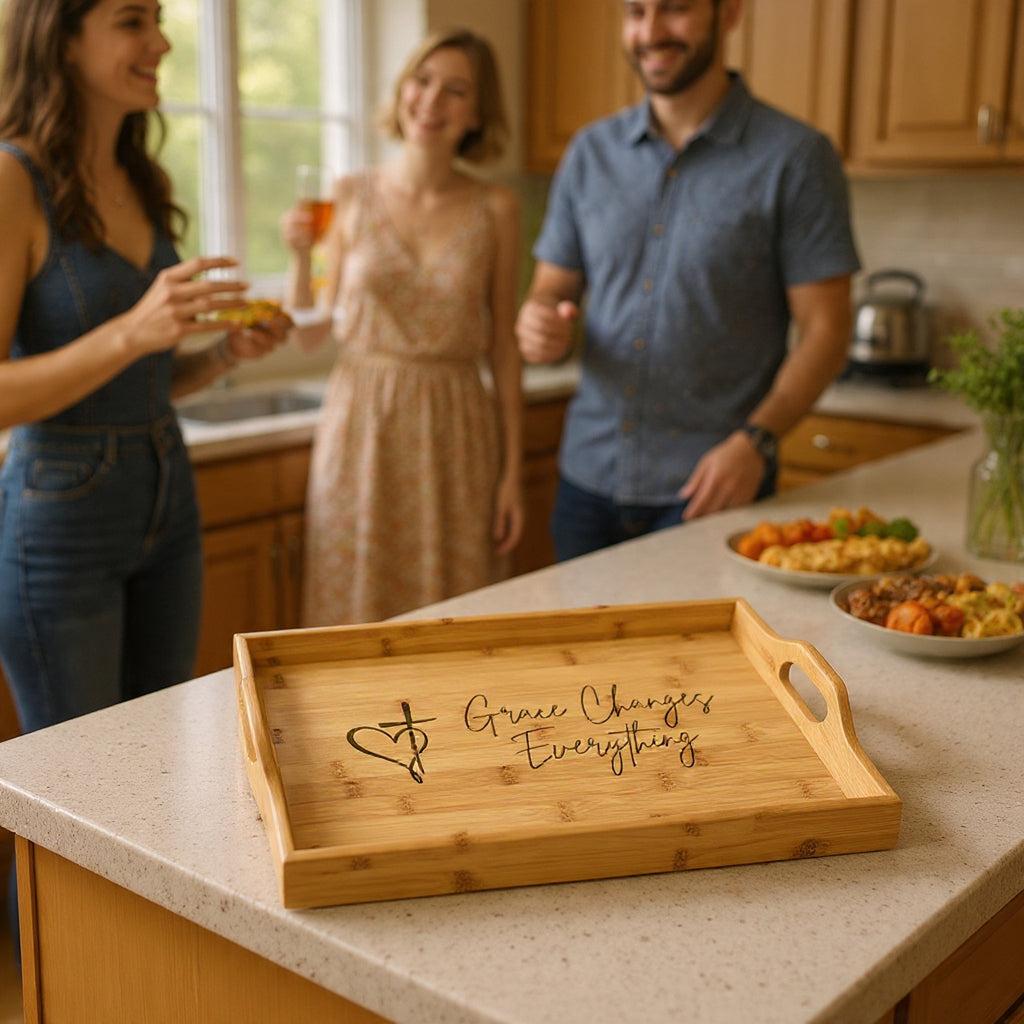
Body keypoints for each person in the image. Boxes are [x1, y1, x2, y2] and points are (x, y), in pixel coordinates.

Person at [0, 0, 291, 738]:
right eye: (133, 21)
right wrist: (133, 331)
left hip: (168, 489)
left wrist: (223, 354)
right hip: (62, 510)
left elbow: (145, 380)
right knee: (76, 790)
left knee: (156, 767)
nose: (161, 41)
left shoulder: (141, 176)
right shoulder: (11, 180)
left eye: (158, 19)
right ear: (62, 40)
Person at [515, 0, 860, 561]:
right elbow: (550, 292)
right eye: (635, 11)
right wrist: (538, 325)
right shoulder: (589, 153)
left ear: (729, 14)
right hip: (586, 480)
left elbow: (827, 329)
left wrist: (757, 442)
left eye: (674, 8)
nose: (650, 31)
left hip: (713, 490)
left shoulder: (795, 157)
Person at [281, 27, 523, 626]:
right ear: (402, 89)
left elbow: (504, 348)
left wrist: (512, 474)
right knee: (352, 609)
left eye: (456, 90)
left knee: (454, 612)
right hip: (363, 425)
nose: (432, 101)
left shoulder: (496, 207)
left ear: (477, 111)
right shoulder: (349, 195)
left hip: (458, 428)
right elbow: (309, 333)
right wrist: (296, 257)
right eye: (422, 80)